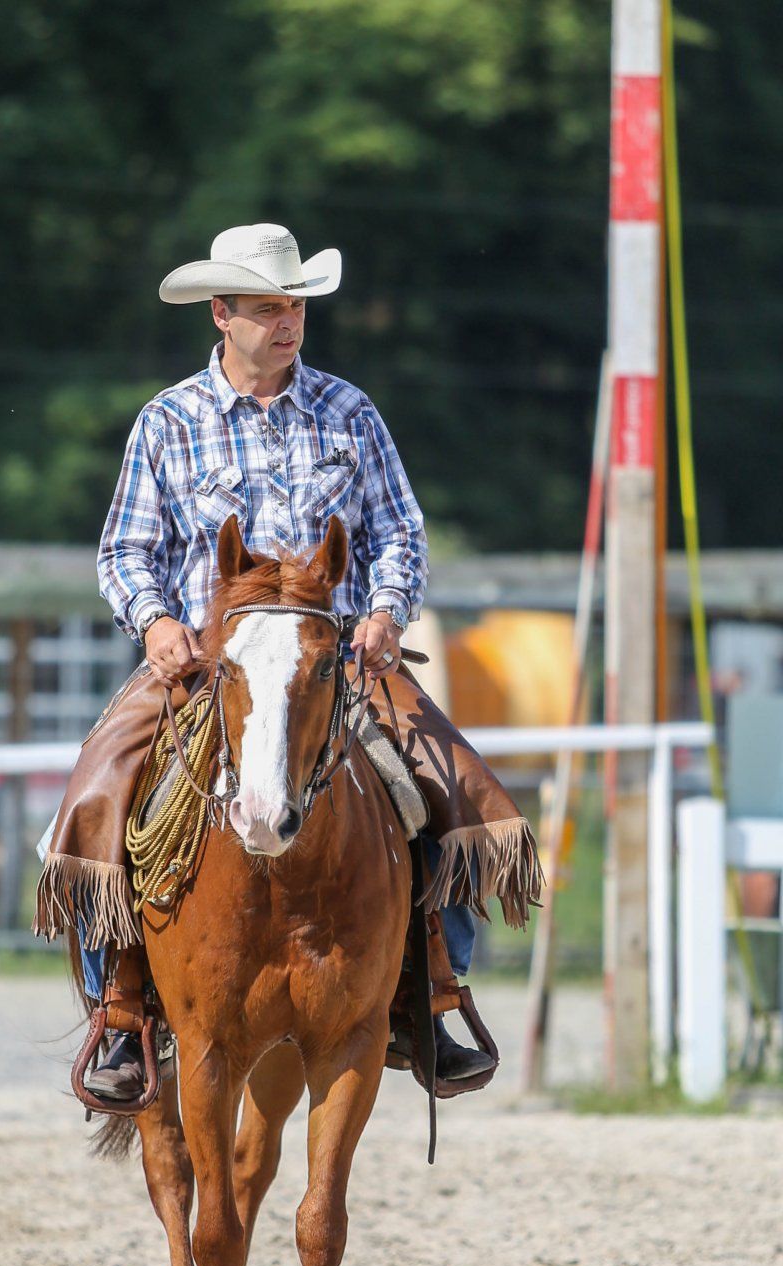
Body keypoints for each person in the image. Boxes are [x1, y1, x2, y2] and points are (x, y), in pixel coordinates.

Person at [35, 224, 541, 1101]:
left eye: (295, 304)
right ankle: (120, 1011)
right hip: (204, 665)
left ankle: (433, 994)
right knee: (93, 801)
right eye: (268, 305)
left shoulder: (350, 412)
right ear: (222, 313)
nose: (287, 320)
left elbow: (400, 533)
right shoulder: (168, 421)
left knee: (455, 793)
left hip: (334, 659)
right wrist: (157, 625)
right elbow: (126, 549)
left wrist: (385, 610)